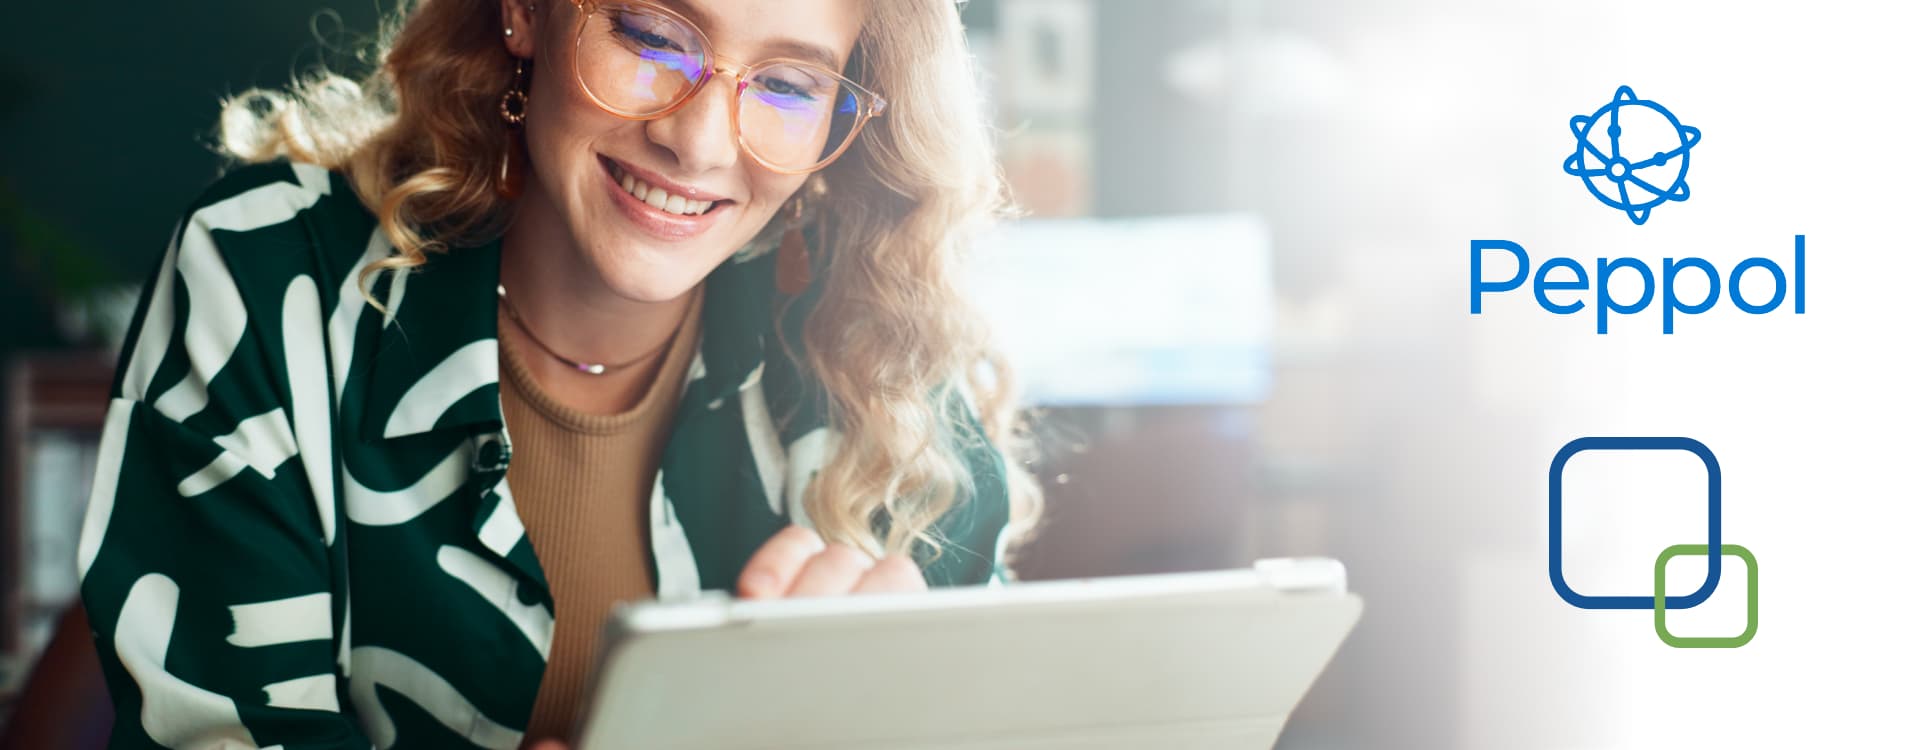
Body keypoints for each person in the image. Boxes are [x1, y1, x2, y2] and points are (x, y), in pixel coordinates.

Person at [76, 0, 1039, 746]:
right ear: (527, 11)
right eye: (651, 34)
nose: (699, 142)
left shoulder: (870, 350)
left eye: (790, 87)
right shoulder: (267, 273)